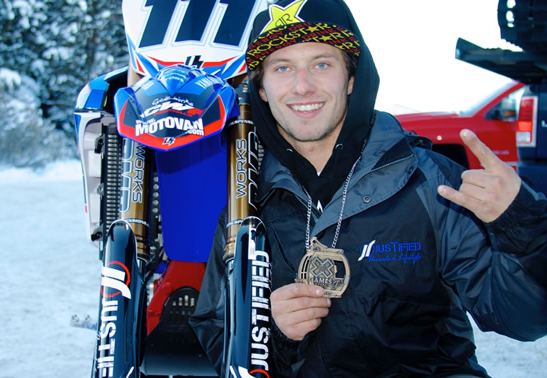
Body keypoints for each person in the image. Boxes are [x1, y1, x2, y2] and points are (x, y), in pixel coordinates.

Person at [189, 0, 547, 376]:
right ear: (261, 88)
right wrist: (266, 329)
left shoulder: (427, 180)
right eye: (282, 68)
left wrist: (524, 228)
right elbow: (216, 333)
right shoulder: (247, 201)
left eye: (322, 64)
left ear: (352, 78)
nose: (302, 85)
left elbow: (523, 320)